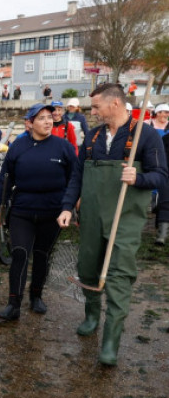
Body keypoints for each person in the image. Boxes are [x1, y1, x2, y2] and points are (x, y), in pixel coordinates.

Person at [57, 83, 167, 366]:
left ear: (115, 104)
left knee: (119, 274)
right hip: (92, 216)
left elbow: (160, 177)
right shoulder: (92, 137)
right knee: (87, 268)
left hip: (126, 218)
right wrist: (68, 206)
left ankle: (110, 341)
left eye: (96, 107)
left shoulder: (146, 135)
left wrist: (138, 178)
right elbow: (77, 176)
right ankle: (92, 315)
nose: (91, 112)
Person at [0, 104, 77, 321]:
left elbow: (74, 180)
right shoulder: (18, 147)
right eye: (42, 118)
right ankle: (13, 304)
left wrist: (71, 207)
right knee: (20, 253)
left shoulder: (63, 147)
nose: (48, 121)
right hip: (22, 211)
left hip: (52, 212)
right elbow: (5, 179)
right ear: (29, 123)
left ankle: (36, 295)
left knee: (42, 255)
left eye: (50, 117)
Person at [149, 103, 169, 244]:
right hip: (164, 171)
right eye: (161, 112)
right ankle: (161, 234)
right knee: (165, 201)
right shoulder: (164, 139)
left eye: (166, 112)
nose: (164, 115)